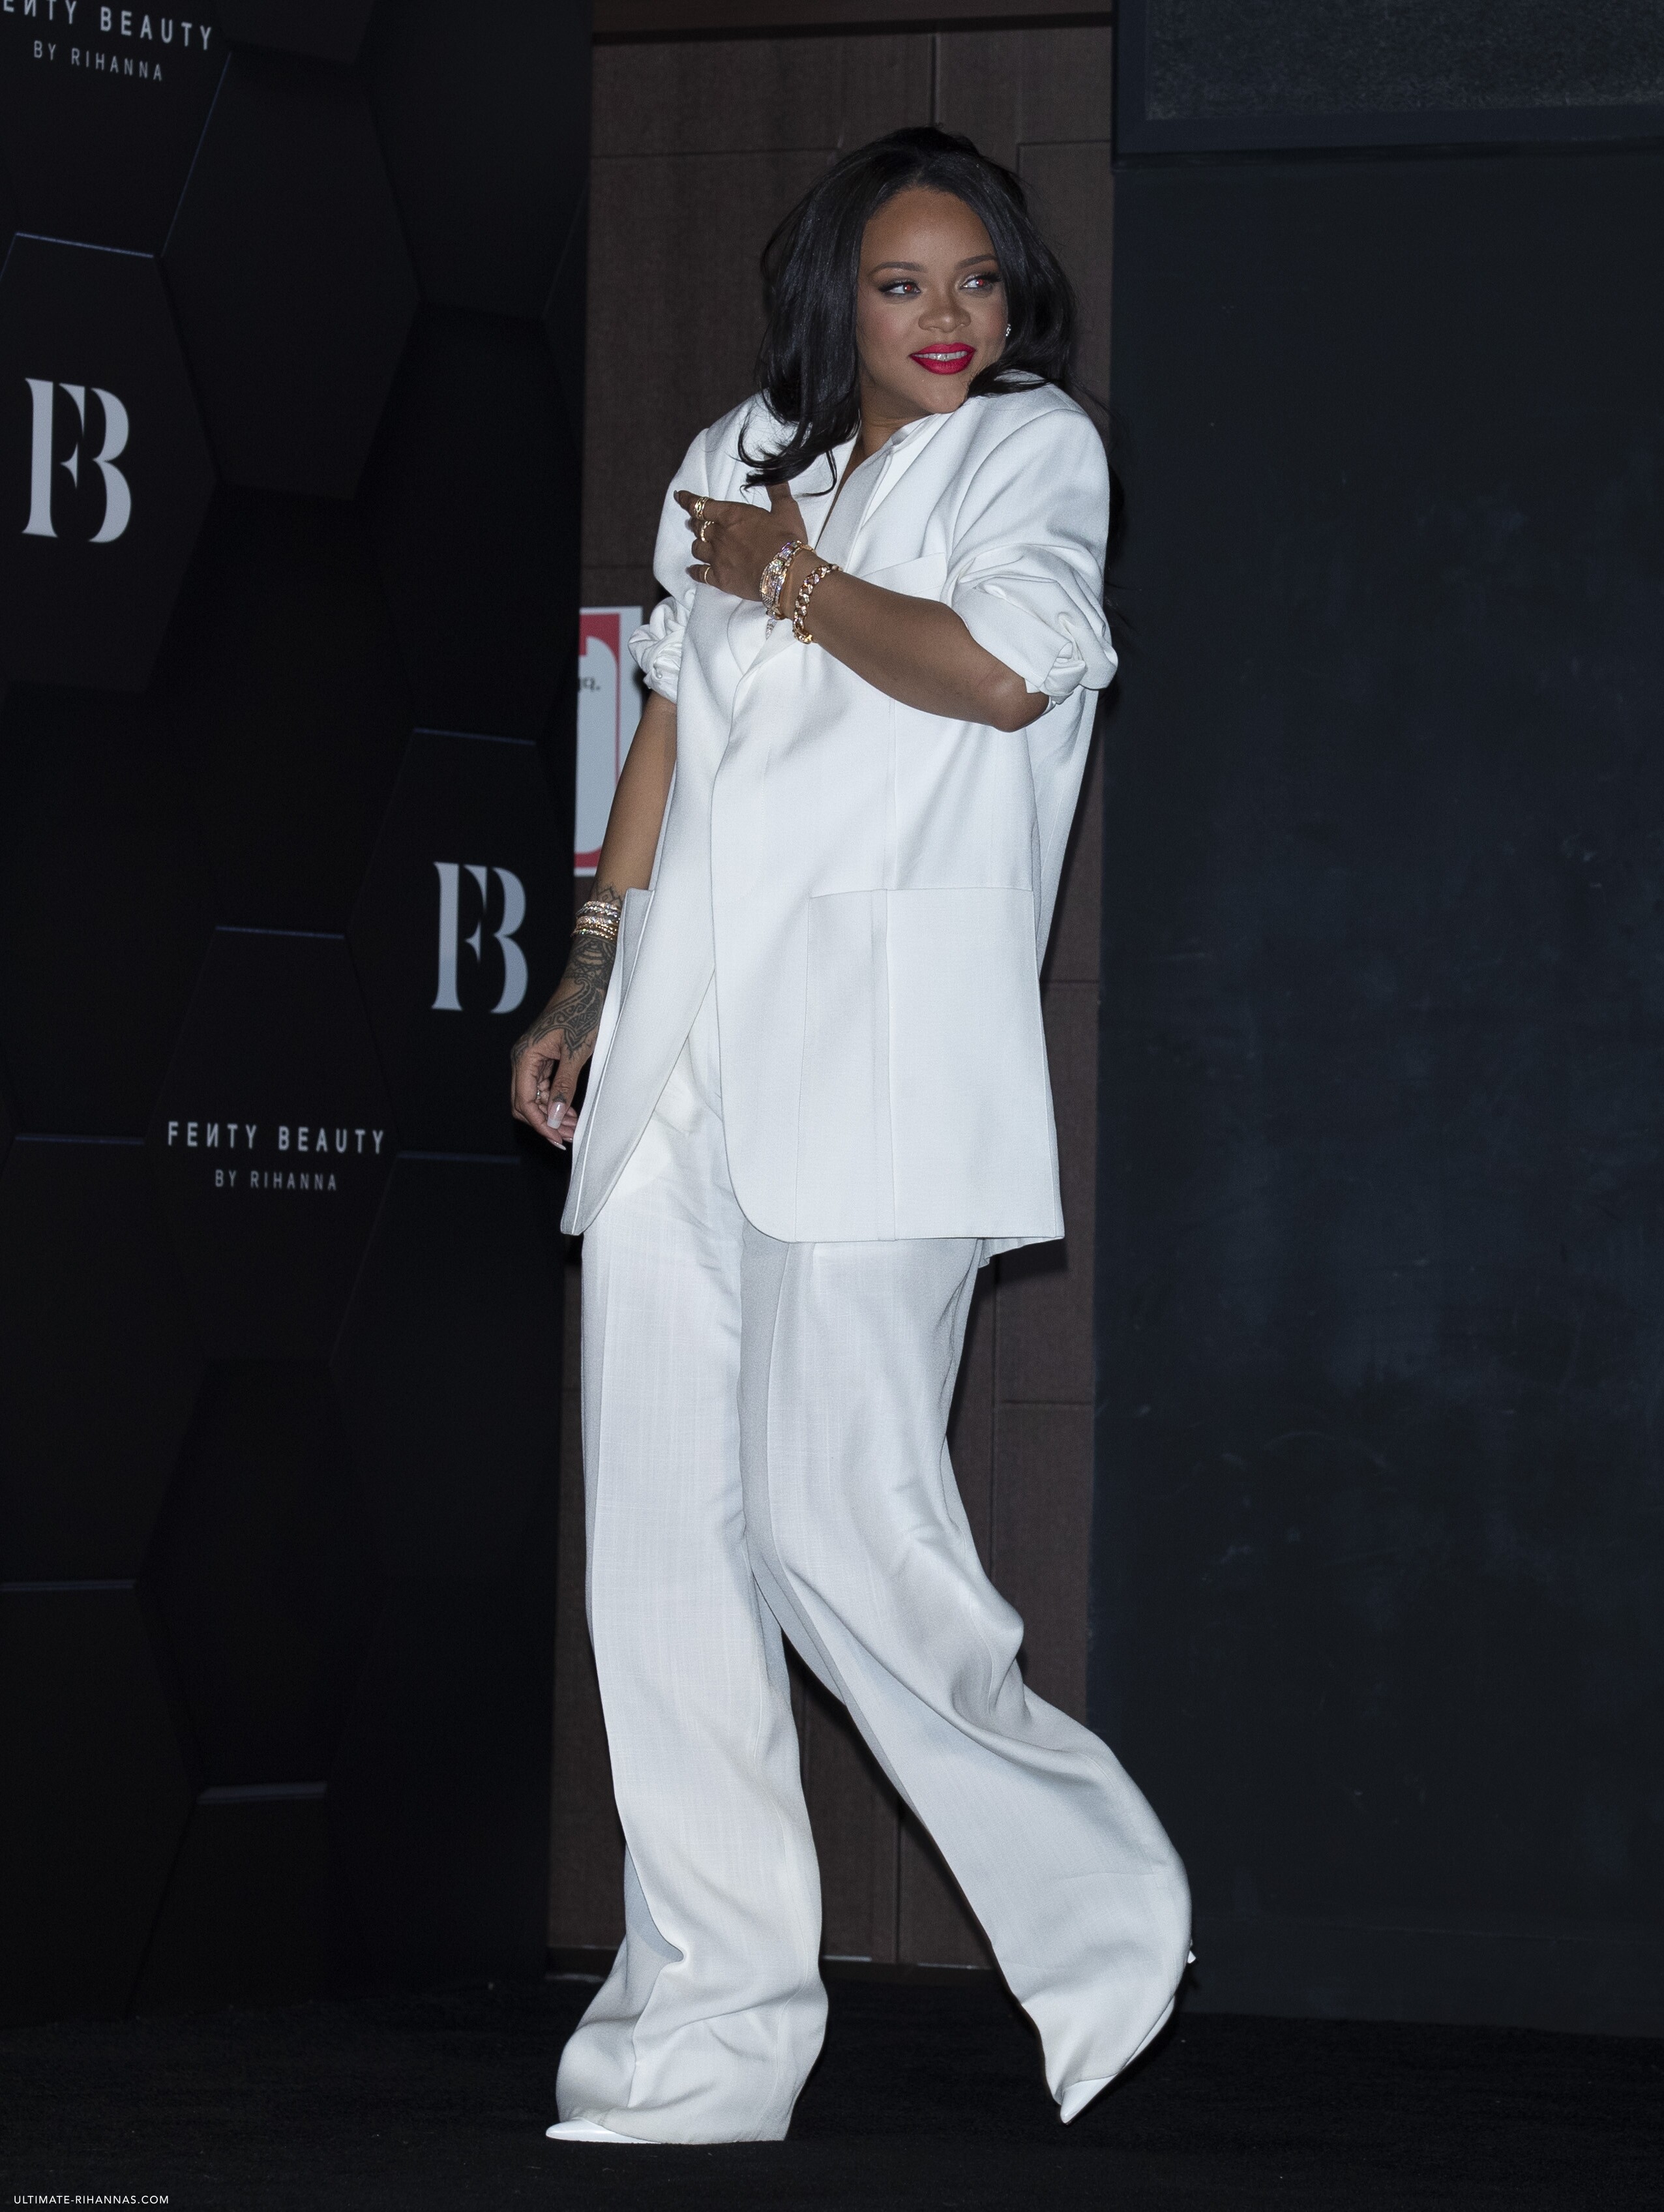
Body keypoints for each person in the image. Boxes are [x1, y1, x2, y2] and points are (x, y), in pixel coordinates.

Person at [511, 126, 1189, 2147]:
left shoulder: (1032, 455)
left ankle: (1104, 1906)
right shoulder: (735, 456)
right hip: (681, 1065)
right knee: (662, 1572)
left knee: (837, 1528)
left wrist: (792, 582)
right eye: (903, 285)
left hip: (880, 1070)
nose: (947, 318)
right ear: (840, 297)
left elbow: (1008, 672)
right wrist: (585, 974)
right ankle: (703, 2041)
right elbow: (669, 722)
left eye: (976, 281)